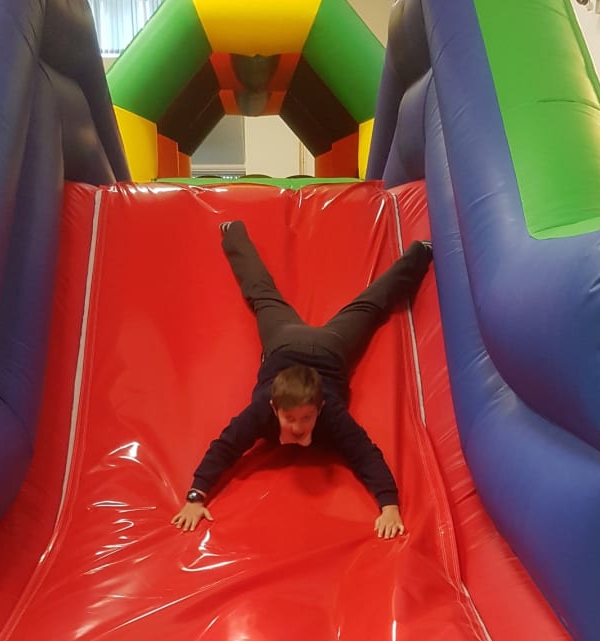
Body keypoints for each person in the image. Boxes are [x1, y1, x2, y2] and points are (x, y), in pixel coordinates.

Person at [172, 220, 433, 538]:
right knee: (261, 295)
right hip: (284, 341)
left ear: (320, 407)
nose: (297, 426)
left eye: (306, 418)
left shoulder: (331, 413)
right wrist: (195, 497)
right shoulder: (261, 412)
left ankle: (420, 253)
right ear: (274, 407)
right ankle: (233, 233)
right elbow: (225, 446)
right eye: (290, 418)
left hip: (328, 348)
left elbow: (365, 453)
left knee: (369, 306)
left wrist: (389, 505)